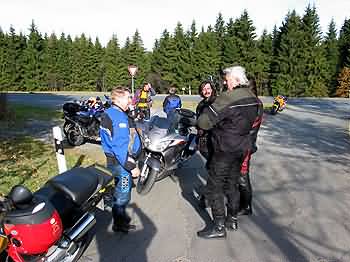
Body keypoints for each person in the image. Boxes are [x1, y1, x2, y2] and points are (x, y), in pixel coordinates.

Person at [196, 66, 261, 239]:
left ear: (237, 80)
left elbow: (203, 122)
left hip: (224, 148)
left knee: (214, 186)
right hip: (242, 147)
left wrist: (214, 120)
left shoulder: (228, 97)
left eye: (227, 79)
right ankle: (231, 220)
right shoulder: (253, 97)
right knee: (232, 185)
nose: (225, 81)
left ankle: (218, 227)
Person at [100, 86, 142, 233]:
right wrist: (132, 167)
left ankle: (113, 204)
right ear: (117, 99)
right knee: (123, 194)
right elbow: (120, 149)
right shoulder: (117, 118)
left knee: (120, 189)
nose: (131, 100)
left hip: (119, 162)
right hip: (121, 165)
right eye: (128, 97)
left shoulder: (115, 113)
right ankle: (119, 223)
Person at [237, 78, 264, 216]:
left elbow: (247, 126)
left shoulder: (254, 103)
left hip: (245, 144)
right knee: (239, 174)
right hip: (243, 142)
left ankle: (246, 206)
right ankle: (242, 202)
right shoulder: (251, 102)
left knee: (242, 175)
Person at [196, 80, 216, 160]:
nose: (206, 91)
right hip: (203, 139)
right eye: (204, 89)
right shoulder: (201, 104)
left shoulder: (216, 102)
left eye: (208, 88)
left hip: (214, 139)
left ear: (212, 89)